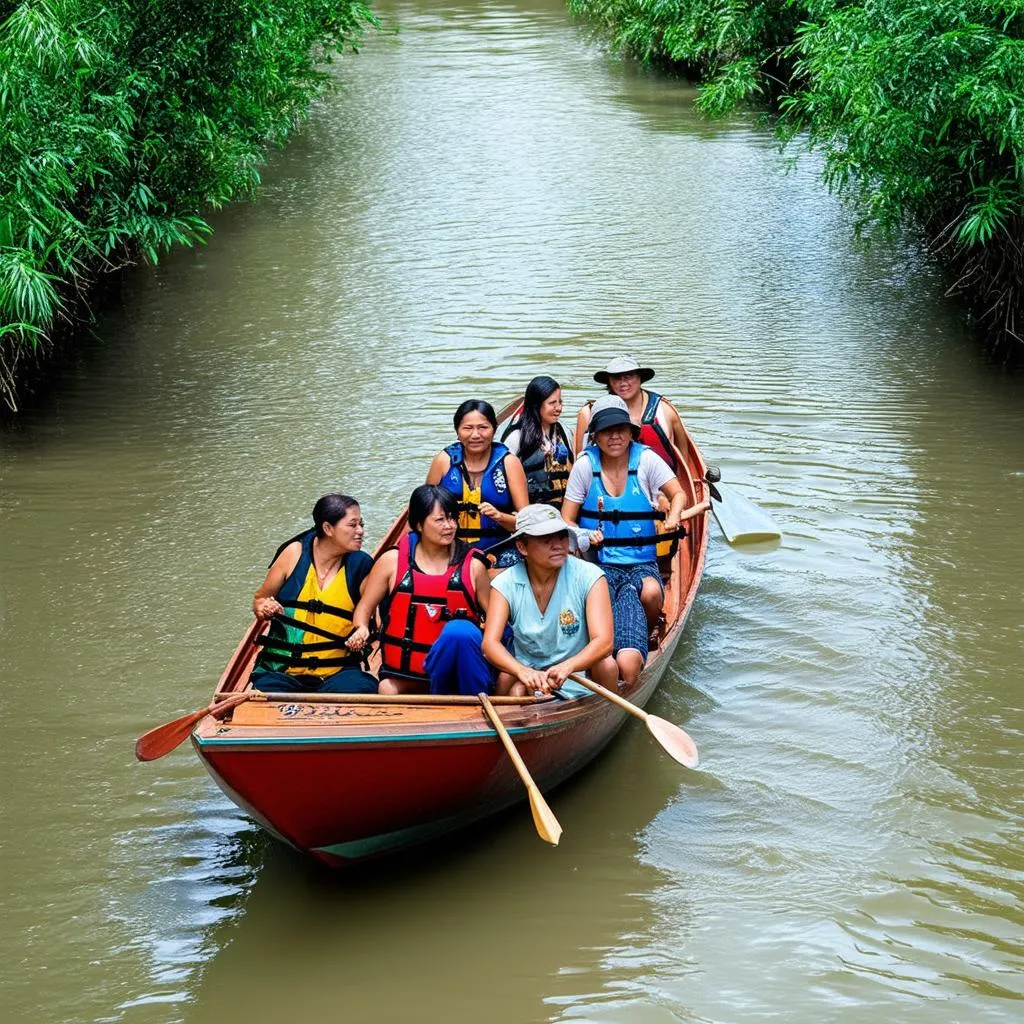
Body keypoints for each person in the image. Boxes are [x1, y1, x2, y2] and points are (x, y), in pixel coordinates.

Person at [561, 397, 687, 686]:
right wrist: (583, 535)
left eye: (621, 429)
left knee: (652, 591)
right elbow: (566, 520)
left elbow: (678, 493)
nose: (614, 437)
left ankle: (649, 627)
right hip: (597, 564)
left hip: (640, 561)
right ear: (596, 436)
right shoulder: (584, 465)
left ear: (631, 432)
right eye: (606, 431)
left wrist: (674, 515)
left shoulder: (646, 459)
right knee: (609, 604)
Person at [347, 485, 494, 695]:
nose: (449, 526)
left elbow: (493, 620)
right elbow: (364, 608)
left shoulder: (474, 567)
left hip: (459, 673)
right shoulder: (391, 562)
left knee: (460, 632)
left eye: (453, 518)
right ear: (418, 524)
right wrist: (361, 627)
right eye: (440, 520)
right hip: (408, 672)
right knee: (386, 688)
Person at [483, 505, 617, 697]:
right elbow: (490, 645)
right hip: (531, 673)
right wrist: (522, 671)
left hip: (578, 671)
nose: (558, 545)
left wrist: (567, 667)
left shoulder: (590, 576)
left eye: (562, 536)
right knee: (509, 682)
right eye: (546, 539)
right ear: (522, 547)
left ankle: (603, 715)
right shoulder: (504, 584)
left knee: (607, 665)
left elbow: (604, 642)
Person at [249, 494, 377, 694]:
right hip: (283, 672)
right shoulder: (294, 554)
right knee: (263, 692)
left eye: (361, 524)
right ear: (328, 528)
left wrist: (363, 631)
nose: (360, 531)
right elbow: (260, 600)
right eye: (352, 525)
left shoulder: (361, 566)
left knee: (364, 687)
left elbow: (371, 615)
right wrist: (264, 607)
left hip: (337, 673)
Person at [426, 399, 529, 565]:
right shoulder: (443, 461)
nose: (475, 435)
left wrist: (500, 517)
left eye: (483, 427)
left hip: (499, 552)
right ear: (457, 431)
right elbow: (423, 513)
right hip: (449, 551)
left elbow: (526, 523)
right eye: (468, 428)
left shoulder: (509, 463)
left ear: (494, 430)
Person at [574, 355, 687, 471]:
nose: (623, 383)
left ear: (640, 378)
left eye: (629, 377)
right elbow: (580, 459)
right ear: (609, 382)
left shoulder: (664, 411)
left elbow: (684, 457)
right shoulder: (589, 414)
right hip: (609, 483)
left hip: (662, 484)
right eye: (617, 378)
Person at [501, 375, 574, 509]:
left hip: (562, 515)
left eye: (560, 402)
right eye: (552, 403)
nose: (559, 408)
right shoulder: (516, 437)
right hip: (530, 514)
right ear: (536, 404)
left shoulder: (565, 432)